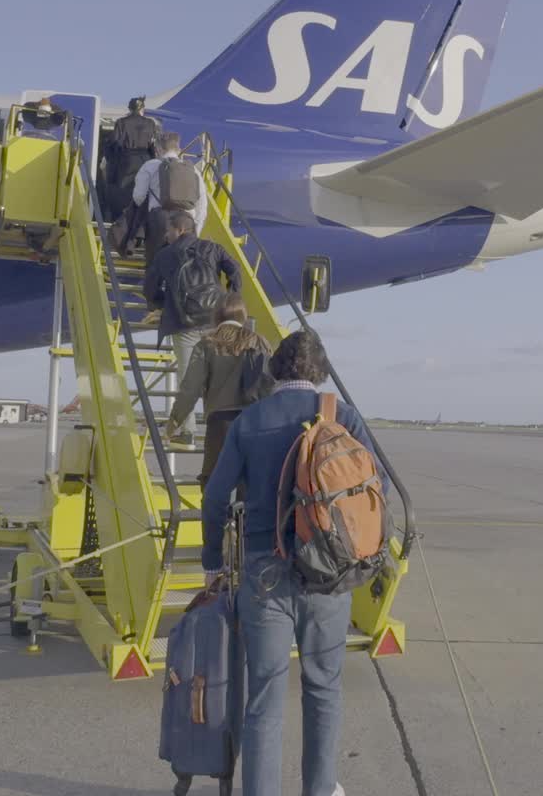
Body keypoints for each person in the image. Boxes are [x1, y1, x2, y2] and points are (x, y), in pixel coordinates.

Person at [200, 329, 380, 796]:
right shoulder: (342, 416)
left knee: (265, 697)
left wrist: (211, 560)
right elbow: (370, 487)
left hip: (265, 574)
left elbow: (215, 496)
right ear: (319, 371)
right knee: (323, 688)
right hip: (328, 576)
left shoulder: (249, 421)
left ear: (275, 370)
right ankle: (319, 790)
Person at [142, 210, 240, 437]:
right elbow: (234, 269)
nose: (166, 235)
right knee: (217, 376)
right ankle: (220, 429)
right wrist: (230, 296)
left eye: (169, 230)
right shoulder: (213, 248)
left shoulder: (164, 255)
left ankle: (187, 431)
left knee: (188, 378)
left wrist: (161, 304)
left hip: (182, 323)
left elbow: (148, 289)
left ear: (180, 230)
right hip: (215, 321)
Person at [164, 292, 271, 487]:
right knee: (252, 484)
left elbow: (191, 388)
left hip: (220, 425)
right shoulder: (260, 342)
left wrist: (175, 420)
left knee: (213, 482)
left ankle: (216, 516)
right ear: (243, 316)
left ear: (216, 316)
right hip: (256, 422)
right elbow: (271, 384)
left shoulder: (207, 344)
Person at [129, 132, 206, 265]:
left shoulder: (150, 165)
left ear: (158, 149)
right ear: (179, 149)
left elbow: (138, 197)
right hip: (187, 222)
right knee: (181, 269)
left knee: (155, 267)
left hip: (160, 219)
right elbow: (202, 205)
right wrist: (195, 230)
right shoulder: (193, 169)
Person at [105, 97, 159, 245]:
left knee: (123, 195)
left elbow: (114, 143)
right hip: (145, 160)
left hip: (126, 161)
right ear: (142, 109)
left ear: (129, 109)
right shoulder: (150, 123)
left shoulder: (122, 122)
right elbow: (154, 146)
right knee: (142, 196)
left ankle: (120, 230)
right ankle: (138, 231)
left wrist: (112, 161)